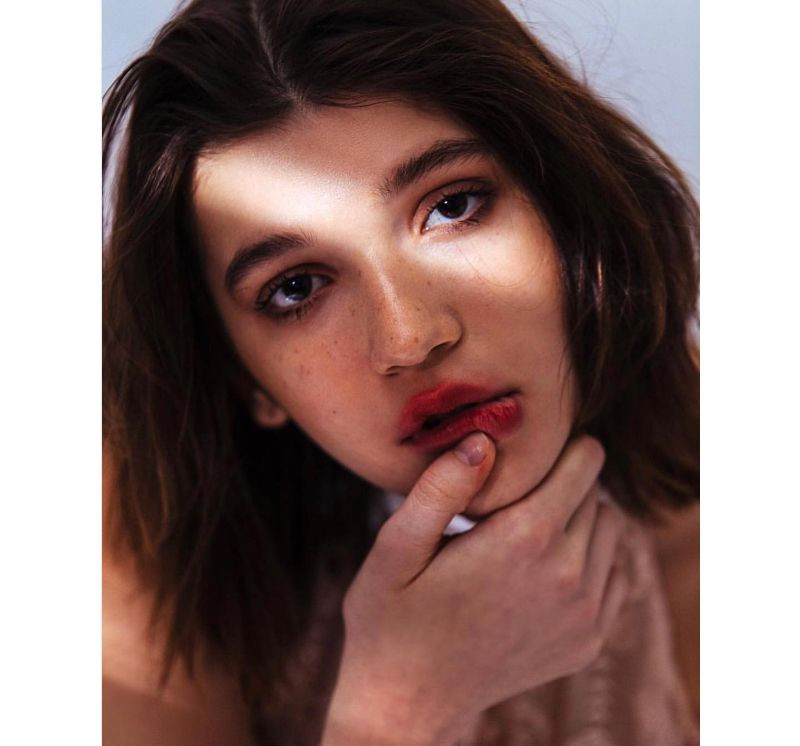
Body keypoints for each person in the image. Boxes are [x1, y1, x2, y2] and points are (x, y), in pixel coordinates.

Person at [102, 0, 699, 743]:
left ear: (570, 217)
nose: (411, 338)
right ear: (242, 377)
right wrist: (396, 711)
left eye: (452, 206)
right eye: (296, 287)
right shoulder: (134, 536)